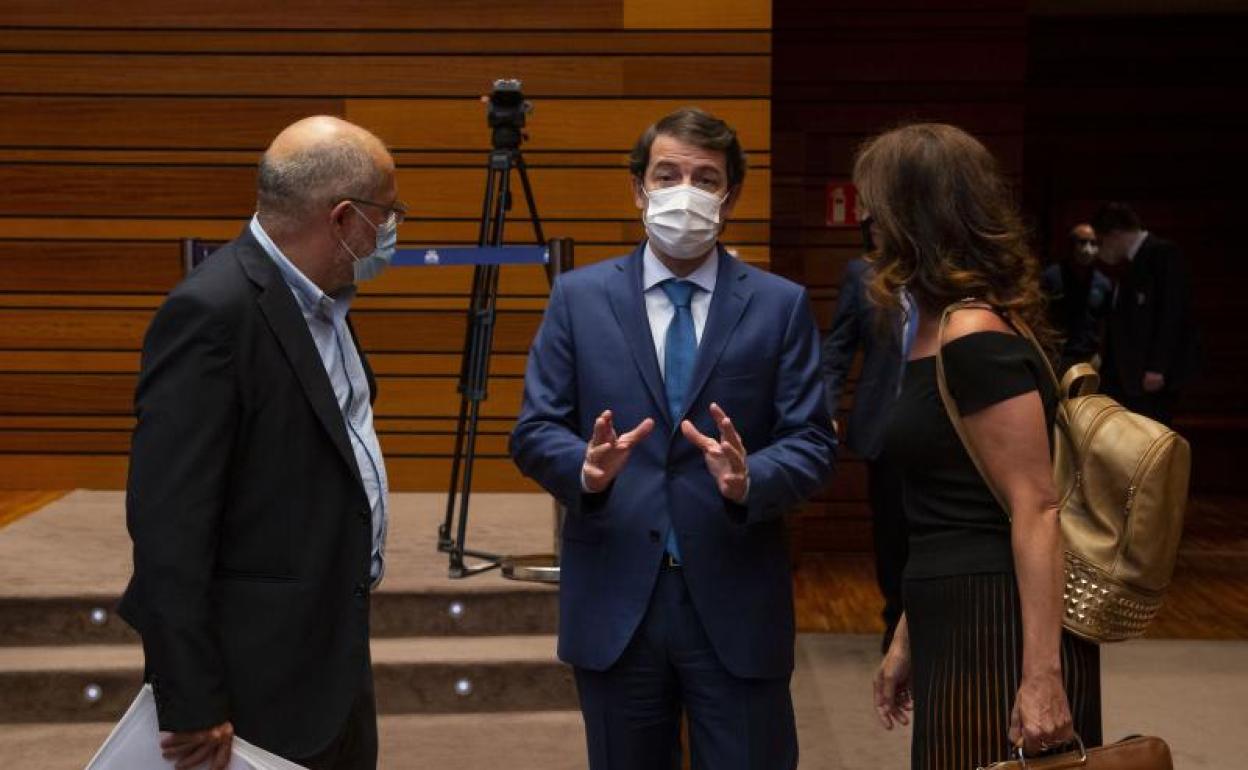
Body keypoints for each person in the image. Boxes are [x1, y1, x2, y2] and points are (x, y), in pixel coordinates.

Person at [510, 107, 836, 770]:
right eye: (668, 174)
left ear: (730, 196)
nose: (685, 191)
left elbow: (811, 440)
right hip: (616, 601)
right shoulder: (578, 297)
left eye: (706, 178)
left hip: (736, 597)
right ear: (639, 189)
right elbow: (534, 428)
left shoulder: (779, 305)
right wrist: (586, 470)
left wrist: (753, 479)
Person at [119, 116, 403, 770]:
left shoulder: (325, 302)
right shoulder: (212, 315)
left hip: (330, 659)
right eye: (387, 214)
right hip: (253, 688)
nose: (391, 232)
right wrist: (189, 699)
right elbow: (169, 528)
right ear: (343, 219)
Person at [861, 124, 1102, 769]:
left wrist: (1043, 678)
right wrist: (907, 638)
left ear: (914, 217)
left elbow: (1036, 507)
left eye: (877, 207)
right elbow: (953, 505)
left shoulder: (972, 335)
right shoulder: (942, 324)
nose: (868, 223)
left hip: (998, 625)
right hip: (956, 616)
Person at [821, 248, 911, 654]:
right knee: (891, 531)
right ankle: (895, 616)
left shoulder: (952, 269)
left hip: (947, 426)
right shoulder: (863, 274)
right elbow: (839, 349)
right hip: (885, 424)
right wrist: (826, 408)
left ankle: (927, 622)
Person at [1091, 202, 1196, 426]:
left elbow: (1171, 312)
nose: (1099, 250)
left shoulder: (1162, 254)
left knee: (1149, 437)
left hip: (1147, 375)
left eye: (1100, 241)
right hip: (1128, 374)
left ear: (1115, 234)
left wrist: (1157, 367)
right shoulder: (1131, 261)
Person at [1040, 223, 1112, 374]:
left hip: (1089, 356)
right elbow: (1040, 315)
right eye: (1082, 242)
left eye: (1093, 243)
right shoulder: (1051, 277)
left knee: (1086, 397)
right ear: (1072, 245)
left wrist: (1100, 353)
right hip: (1058, 356)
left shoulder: (1102, 283)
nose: (1088, 249)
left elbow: (1104, 321)